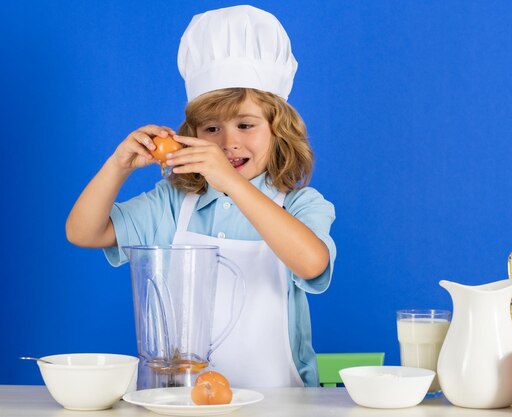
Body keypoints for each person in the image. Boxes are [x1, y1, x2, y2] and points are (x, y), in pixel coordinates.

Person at [65, 5, 336, 388]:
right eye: (212, 128)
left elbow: (311, 263)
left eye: (246, 125)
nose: (229, 142)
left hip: (283, 401)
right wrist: (117, 166)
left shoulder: (300, 204)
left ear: (279, 130)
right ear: (191, 132)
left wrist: (233, 184)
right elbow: (83, 232)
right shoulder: (174, 203)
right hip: (184, 398)